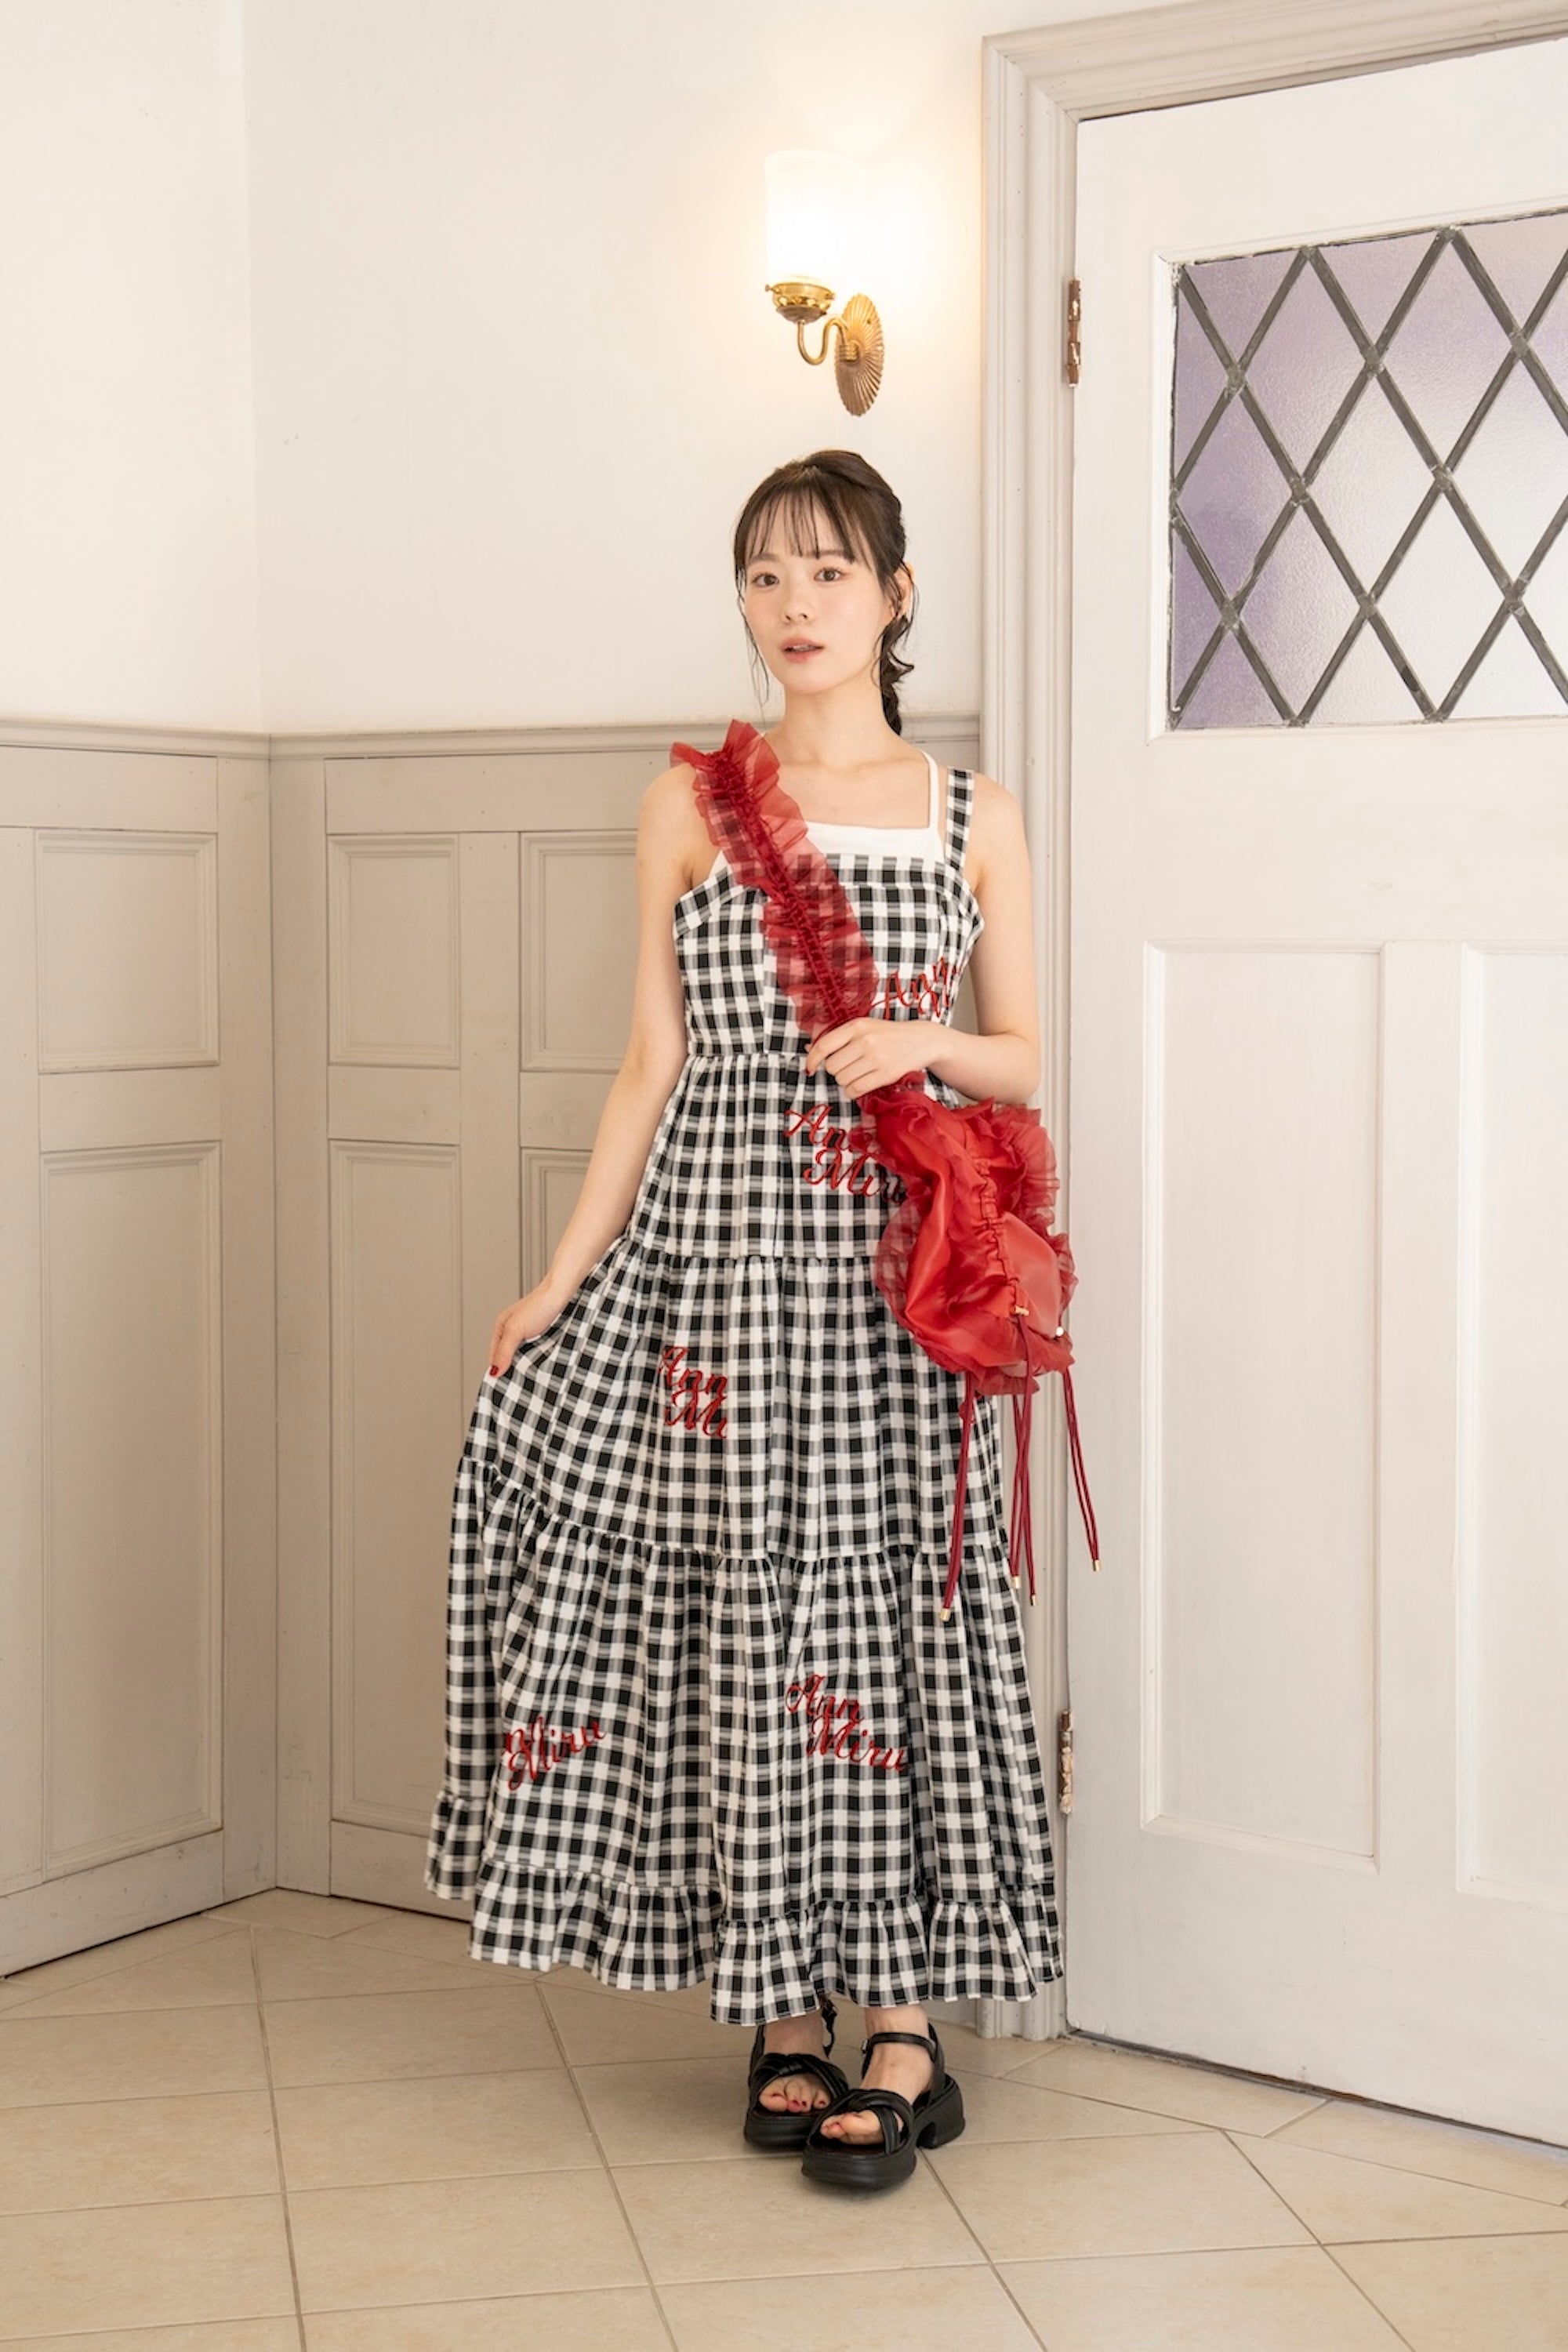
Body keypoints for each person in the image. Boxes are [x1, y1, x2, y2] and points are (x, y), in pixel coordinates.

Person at [425, 448, 1062, 2190]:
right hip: (707, 1270)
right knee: (737, 1616)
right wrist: (561, 1275)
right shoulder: (689, 804)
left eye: (830, 572)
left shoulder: (973, 815)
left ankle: (906, 2026)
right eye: (766, 575)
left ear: (897, 596)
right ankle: (782, 2012)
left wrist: (921, 1041)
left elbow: (1022, 1056)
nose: (795, 606)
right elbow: (652, 1064)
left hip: (888, 1284)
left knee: (889, 1616)